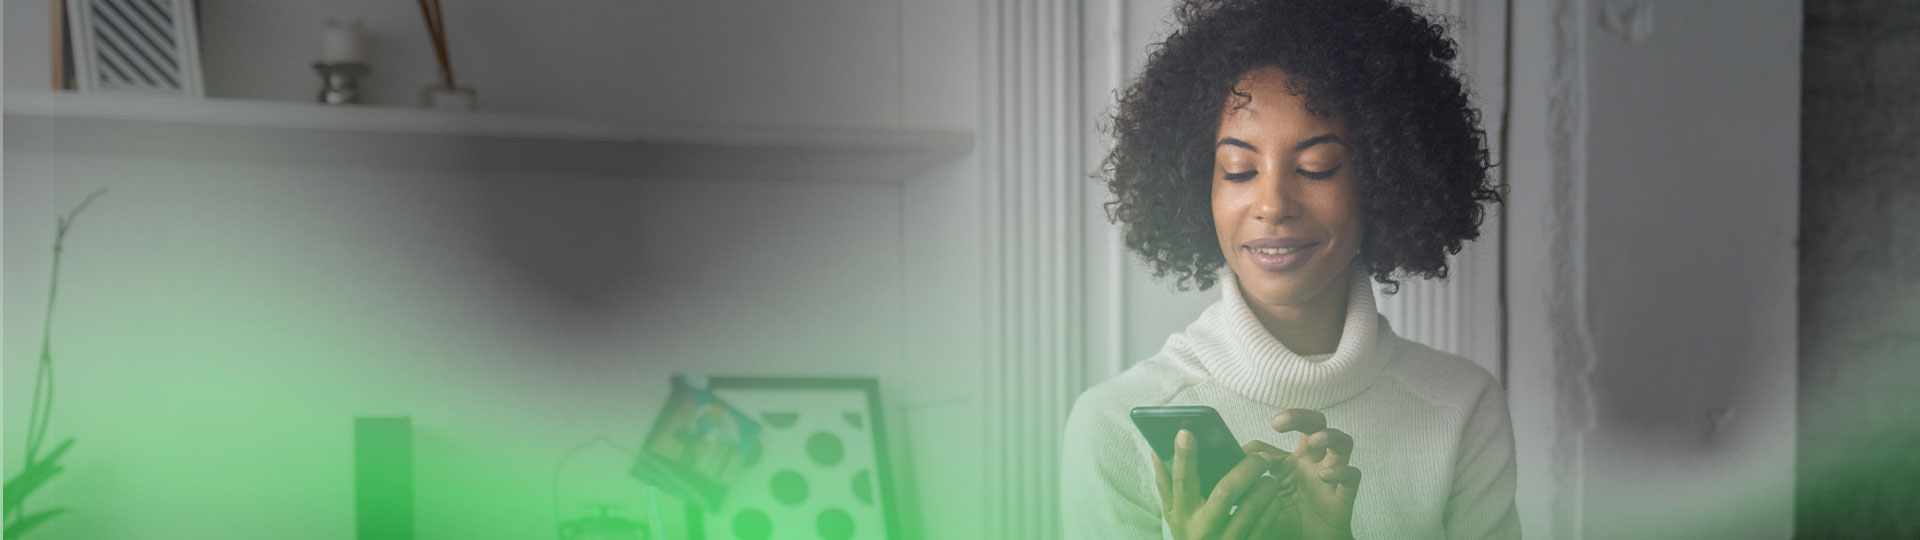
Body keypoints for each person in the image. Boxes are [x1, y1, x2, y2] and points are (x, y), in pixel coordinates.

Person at [1061, 0, 1516, 538]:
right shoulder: (1114, 425)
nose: (1272, 203)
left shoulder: (1460, 409)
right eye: (1238, 170)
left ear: (1383, 179)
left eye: (1315, 168)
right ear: (1195, 184)